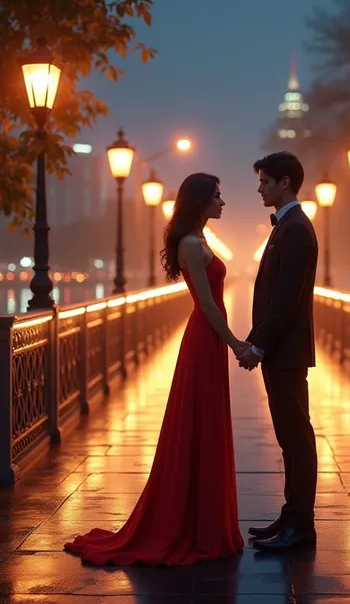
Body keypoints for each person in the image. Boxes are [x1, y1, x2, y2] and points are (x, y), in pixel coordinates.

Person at [64, 173, 246, 566]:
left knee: (204, 421)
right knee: (201, 421)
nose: (222, 202)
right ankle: (195, 525)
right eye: (217, 196)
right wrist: (237, 344)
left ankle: (204, 522)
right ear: (199, 202)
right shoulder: (192, 245)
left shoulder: (198, 240)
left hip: (206, 340)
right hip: (204, 338)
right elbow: (208, 306)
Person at [239, 152, 318, 550]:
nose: (259, 188)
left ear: (284, 182)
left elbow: (287, 300)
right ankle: (291, 516)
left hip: (285, 353)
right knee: (290, 437)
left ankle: (301, 526)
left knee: (297, 438)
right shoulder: (287, 227)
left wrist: (258, 344)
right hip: (281, 352)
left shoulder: (296, 230)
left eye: (265, 182)